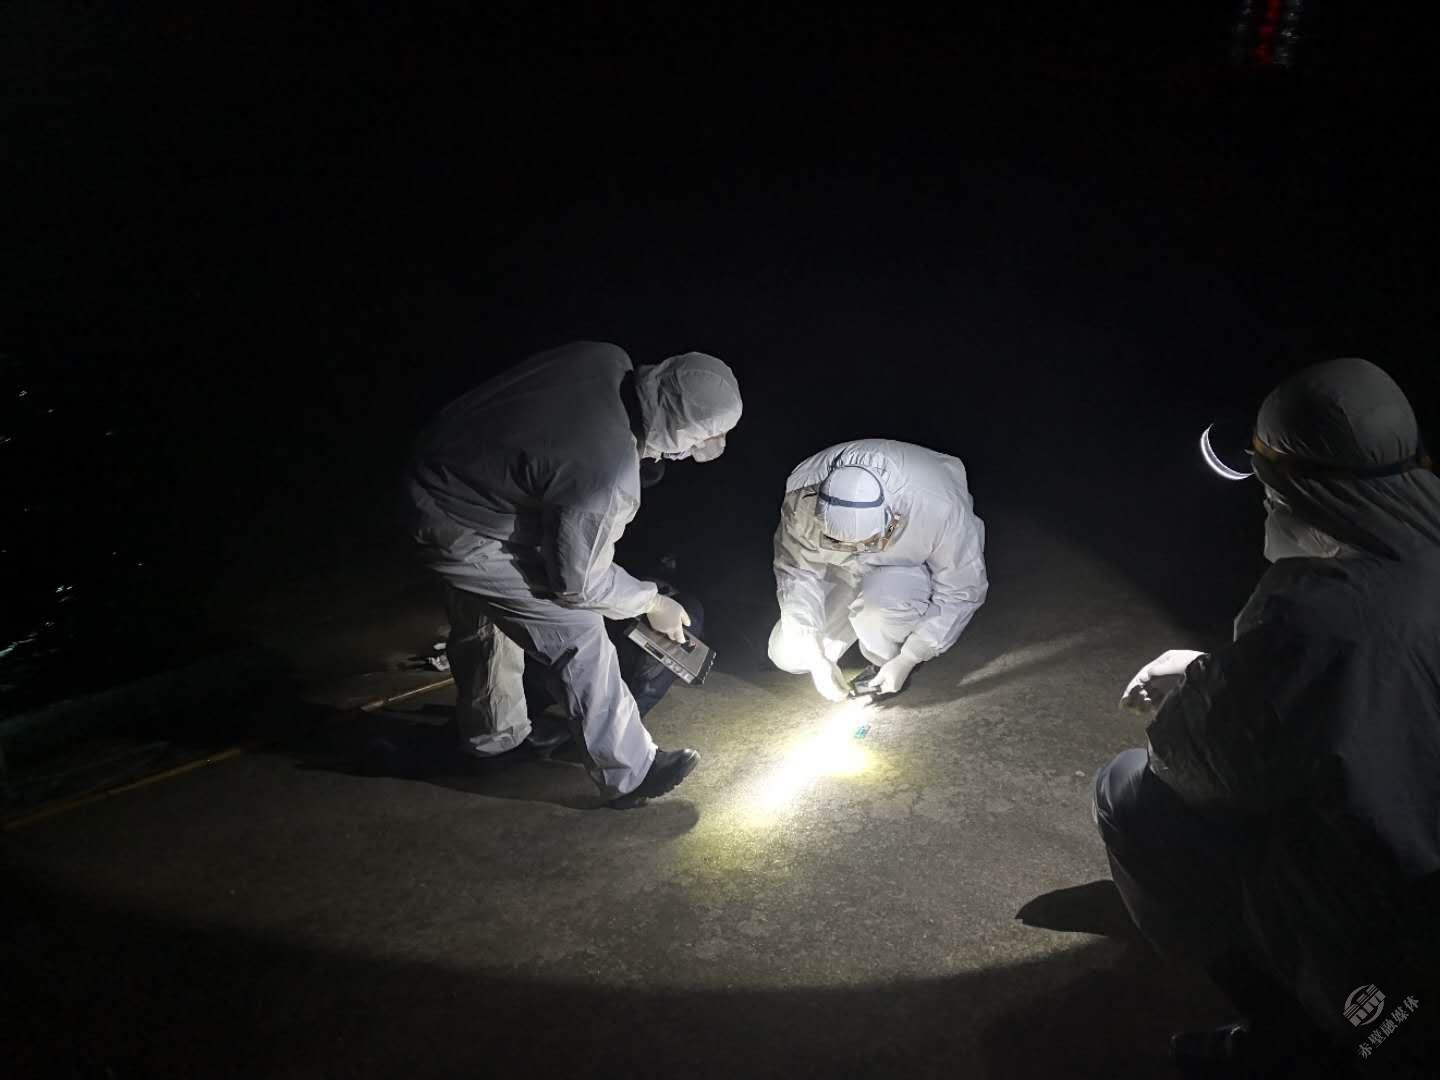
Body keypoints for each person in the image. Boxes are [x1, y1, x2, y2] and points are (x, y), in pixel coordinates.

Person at [1094, 358, 1440, 1075]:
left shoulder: (1318, 611)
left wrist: (1198, 691)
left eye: (1269, 487)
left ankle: (1294, 1034)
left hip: (1404, 914)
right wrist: (1213, 668)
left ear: (1296, 490)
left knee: (1128, 792)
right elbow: (1375, 687)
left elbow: (1199, 758)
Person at [406, 341, 742, 808]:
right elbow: (579, 583)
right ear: (679, 429)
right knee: (577, 634)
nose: (694, 451)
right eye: (698, 440)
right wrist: (652, 602)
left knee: (485, 617)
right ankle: (631, 772)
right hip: (462, 523)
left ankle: (493, 740)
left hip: (446, 466)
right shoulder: (606, 472)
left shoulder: (603, 359)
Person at [767, 439, 987, 701]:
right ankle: (855, 619)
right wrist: (816, 660)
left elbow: (961, 591)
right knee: (790, 654)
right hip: (841, 568)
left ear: (890, 518)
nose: (859, 549)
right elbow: (798, 576)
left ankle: (884, 658)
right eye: (839, 542)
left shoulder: (939, 508)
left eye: (868, 542)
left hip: (899, 569)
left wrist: (909, 657)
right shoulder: (801, 500)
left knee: (878, 612)